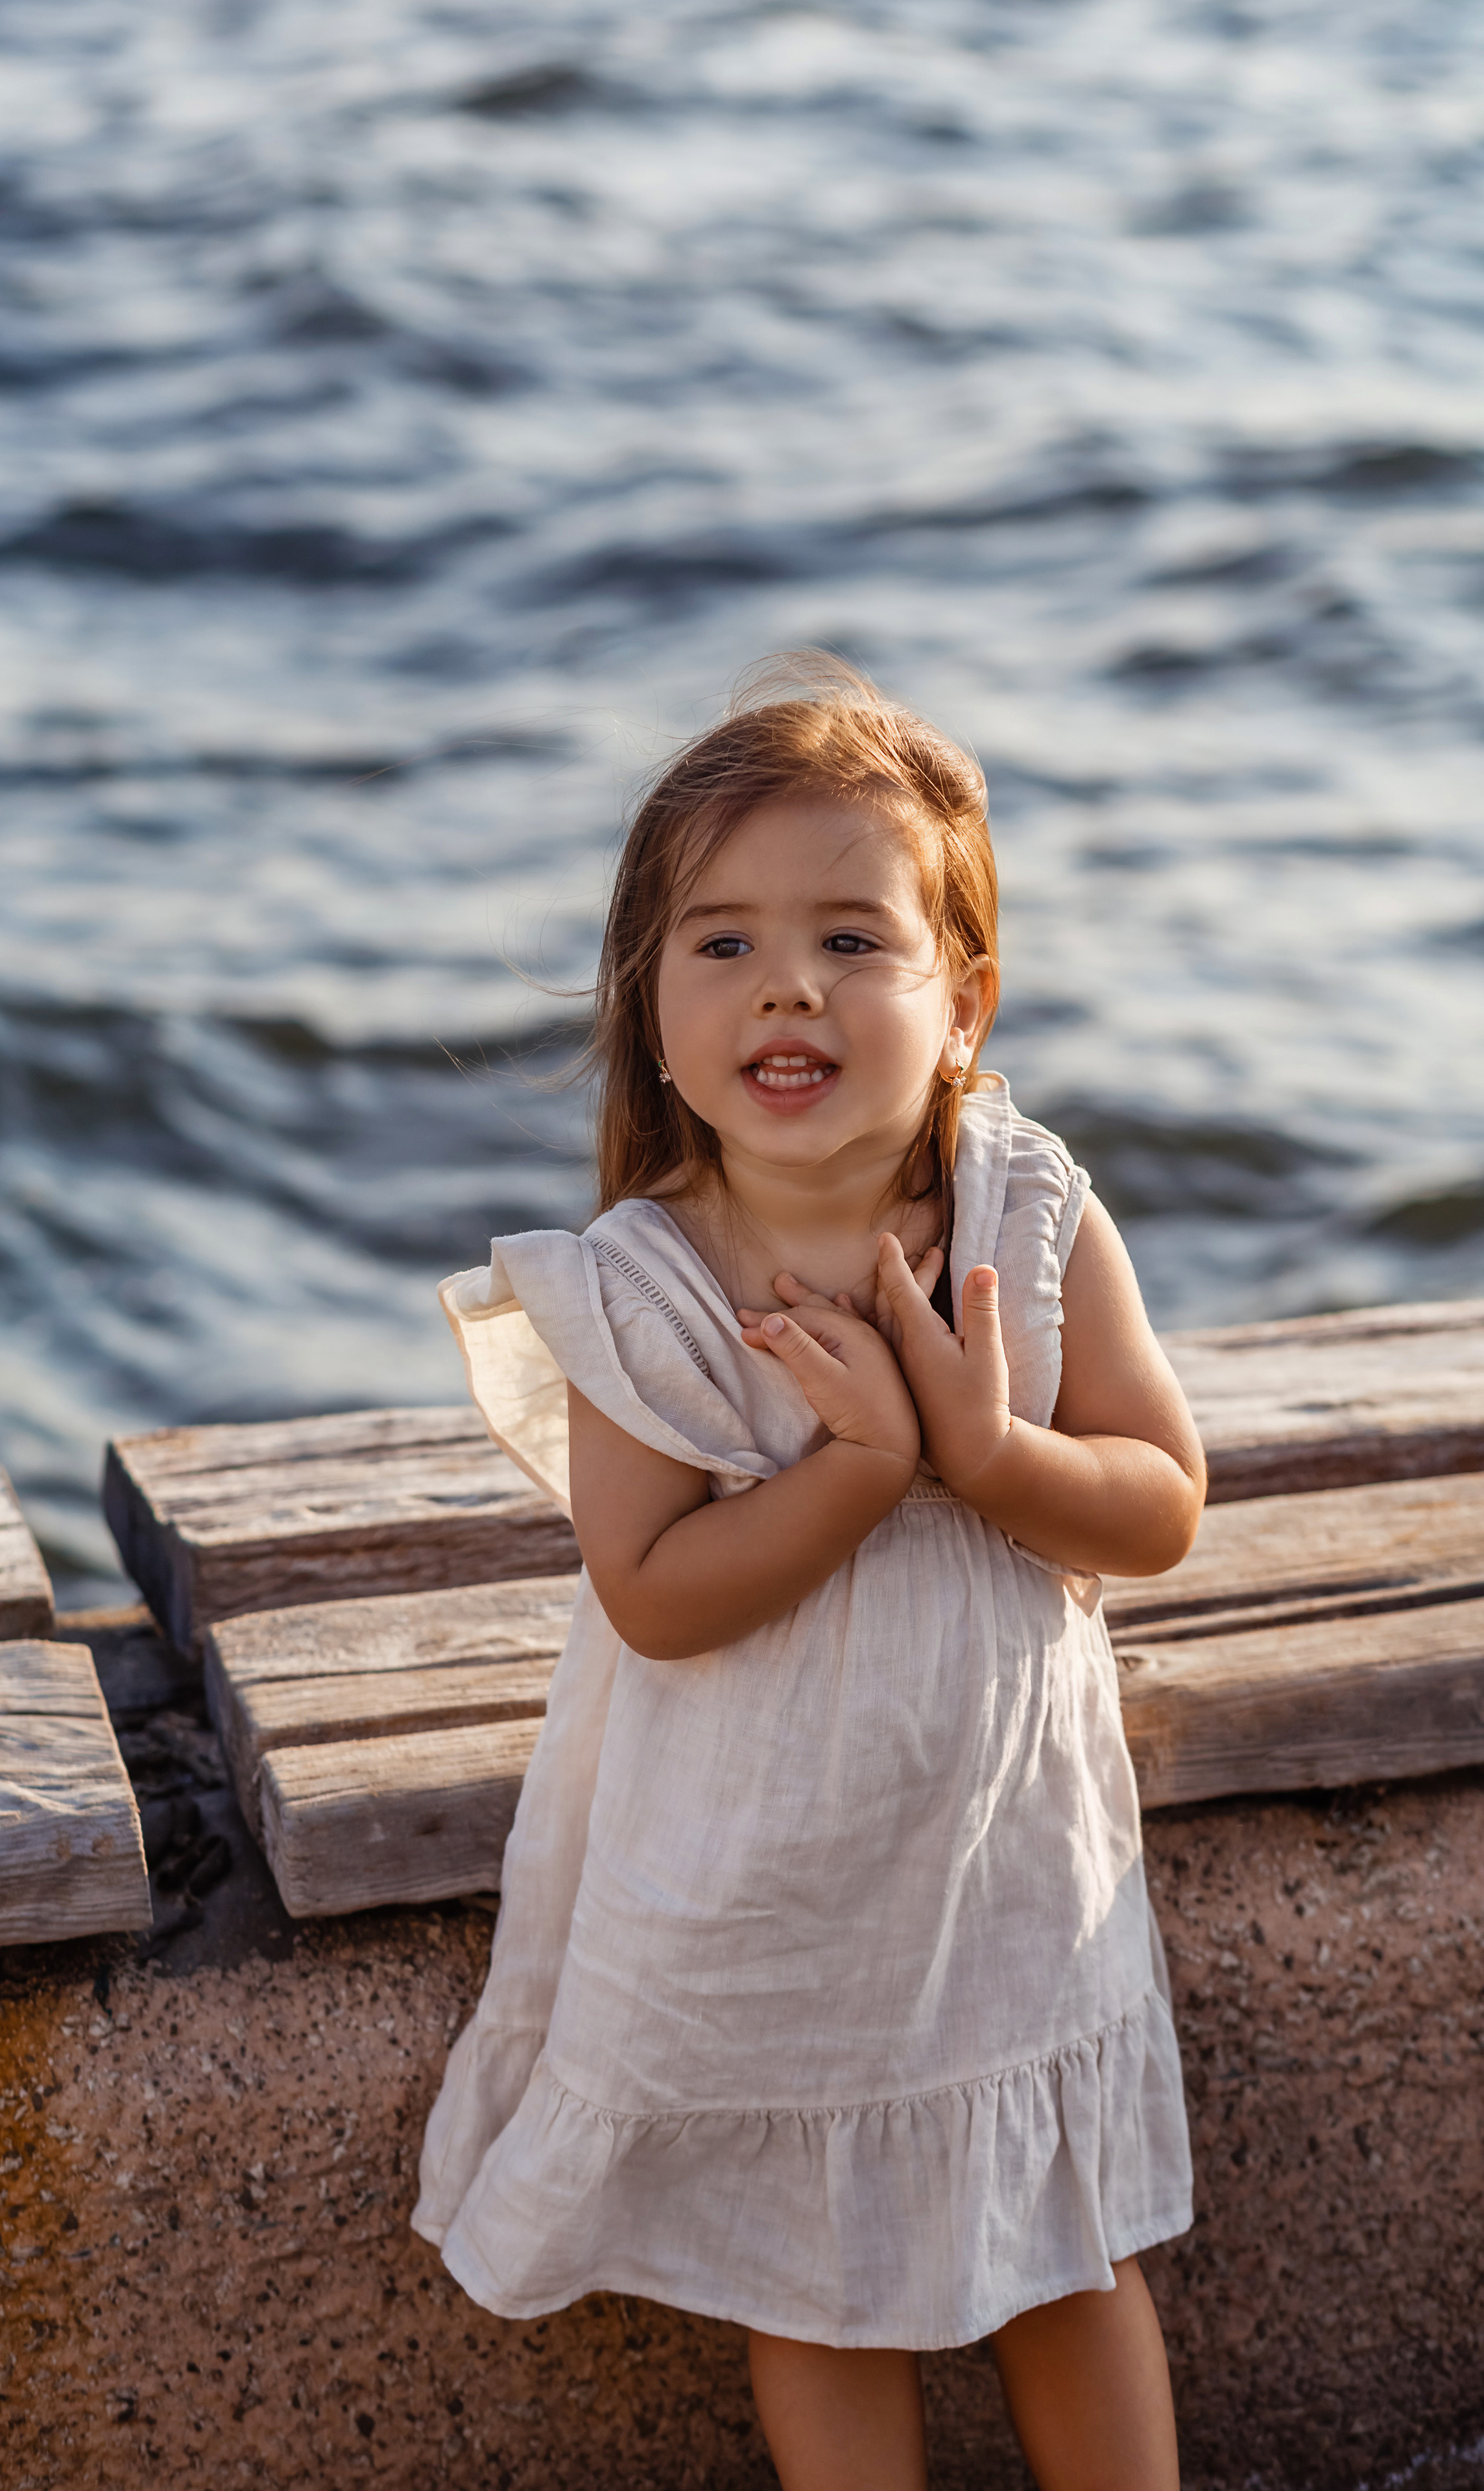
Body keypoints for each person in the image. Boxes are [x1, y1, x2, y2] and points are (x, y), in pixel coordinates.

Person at [413, 655, 1204, 2490]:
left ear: (963, 998)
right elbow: (653, 1590)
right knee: (817, 2285)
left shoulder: (1026, 1214)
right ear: (655, 1005)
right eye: (726, 945)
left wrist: (988, 1453)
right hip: (766, 1898)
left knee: (1071, 2260)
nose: (790, 986)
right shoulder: (646, 1286)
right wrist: (859, 1471)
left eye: (854, 940)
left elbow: (1162, 1503)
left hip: (1005, 1878)